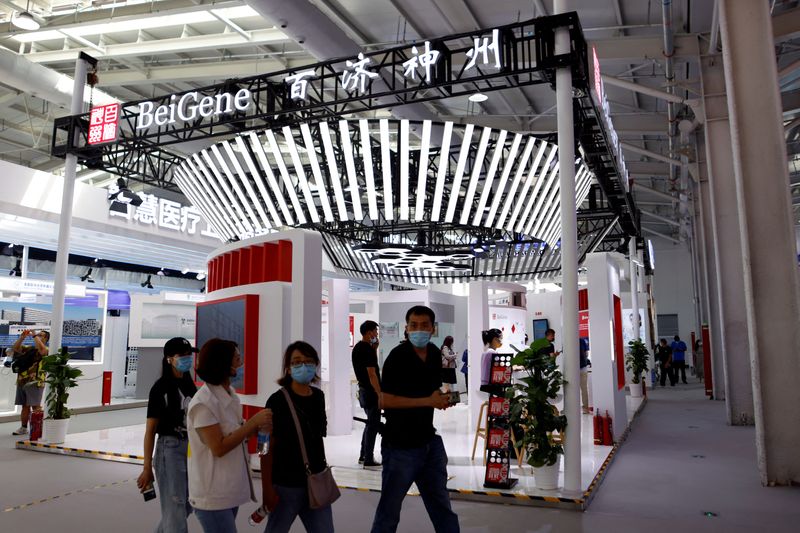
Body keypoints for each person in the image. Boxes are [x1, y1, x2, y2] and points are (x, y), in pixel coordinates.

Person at [371, 305, 459, 533]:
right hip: (400, 447)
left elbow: (429, 392)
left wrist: (440, 399)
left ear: (433, 328)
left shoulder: (433, 354)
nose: (418, 330)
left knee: (442, 509)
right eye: (413, 325)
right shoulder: (397, 357)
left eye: (424, 325)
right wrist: (427, 401)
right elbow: (384, 401)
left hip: (429, 444)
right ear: (407, 328)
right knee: (388, 513)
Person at [187, 338, 272, 533]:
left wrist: (255, 429)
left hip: (228, 489)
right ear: (221, 363)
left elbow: (236, 436)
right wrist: (252, 423)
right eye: (236, 358)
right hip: (212, 494)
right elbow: (218, 447)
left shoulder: (230, 396)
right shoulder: (203, 403)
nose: (240, 363)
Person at [261, 341, 334, 533]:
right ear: (288, 368)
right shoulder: (276, 400)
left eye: (308, 361)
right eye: (297, 361)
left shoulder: (318, 396)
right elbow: (265, 447)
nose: (303, 366)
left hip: (316, 480)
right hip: (286, 485)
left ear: (316, 365)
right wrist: (267, 488)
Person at [137, 337, 198, 533]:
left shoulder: (190, 385)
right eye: (182, 356)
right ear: (169, 359)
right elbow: (150, 431)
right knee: (175, 508)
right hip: (169, 450)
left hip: (190, 449)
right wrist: (147, 467)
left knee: (187, 504)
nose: (188, 359)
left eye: (190, 355)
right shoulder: (160, 388)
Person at [351, 320, 382, 469]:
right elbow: (372, 374)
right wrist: (379, 393)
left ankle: (364, 455)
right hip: (370, 392)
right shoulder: (366, 349)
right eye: (375, 331)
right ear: (369, 332)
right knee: (373, 424)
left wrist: (374, 349)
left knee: (370, 423)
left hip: (363, 390)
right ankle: (368, 458)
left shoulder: (359, 347)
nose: (376, 334)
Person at [11, 329, 49, 435]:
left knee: (35, 406)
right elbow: (16, 348)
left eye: (41, 335)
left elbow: (42, 349)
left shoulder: (46, 350)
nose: (37, 336)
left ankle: (37, 429)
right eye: (38, 335)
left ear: (46, 339)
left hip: (36, 382)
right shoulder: (29, 349)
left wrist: (34, 335)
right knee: (24, 406)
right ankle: (23, 428)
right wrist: (22, 337)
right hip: (22, 381)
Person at [479, 328, 503, 394]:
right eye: (501, 338)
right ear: (495, 339)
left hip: (485, 385)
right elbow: (501, 368)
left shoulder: (486, 352)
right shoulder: (492, 353)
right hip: (491, 386)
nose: (501, 341)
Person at [579, 337, 591, 414]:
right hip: (582, 367)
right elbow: (586, 354)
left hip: (573, 369)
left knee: (571, 389)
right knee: (584, 389)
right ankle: (585, 408)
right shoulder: (582, 340)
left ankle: (572, 408)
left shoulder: (568, 341)